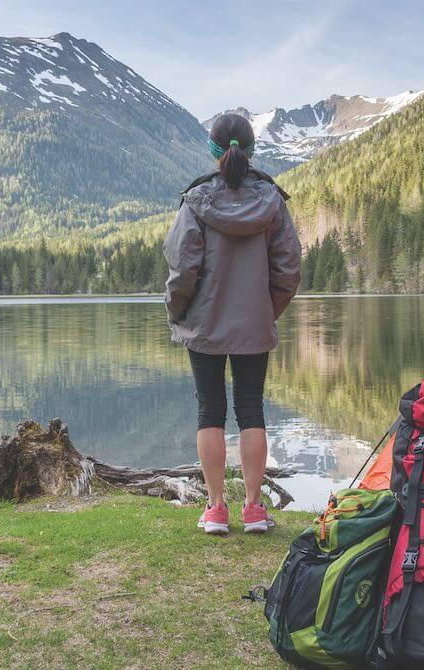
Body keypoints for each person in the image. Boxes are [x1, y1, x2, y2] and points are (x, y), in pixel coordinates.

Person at [162, 113, 302, 535]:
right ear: (250, 149)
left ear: (213, 150)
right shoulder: (272, 201)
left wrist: (178, 310)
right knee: (251, 409)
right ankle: (255, 509)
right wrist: (265, 309)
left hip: (204, 323)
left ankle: (216, 508)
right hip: (253, 324)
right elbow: (289, 269)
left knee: (210, 410)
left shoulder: (197, 200)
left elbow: (182, 267)